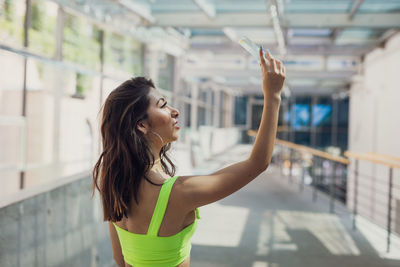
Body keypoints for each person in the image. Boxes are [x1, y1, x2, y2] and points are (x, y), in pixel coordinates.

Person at [92, 46, 285, 267]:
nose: (175, 111)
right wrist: (273, 97)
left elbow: (122, 260)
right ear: (142, 125)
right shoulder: (178, 192)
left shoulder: (114, 185)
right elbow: (257, 163)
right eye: (163, 105)